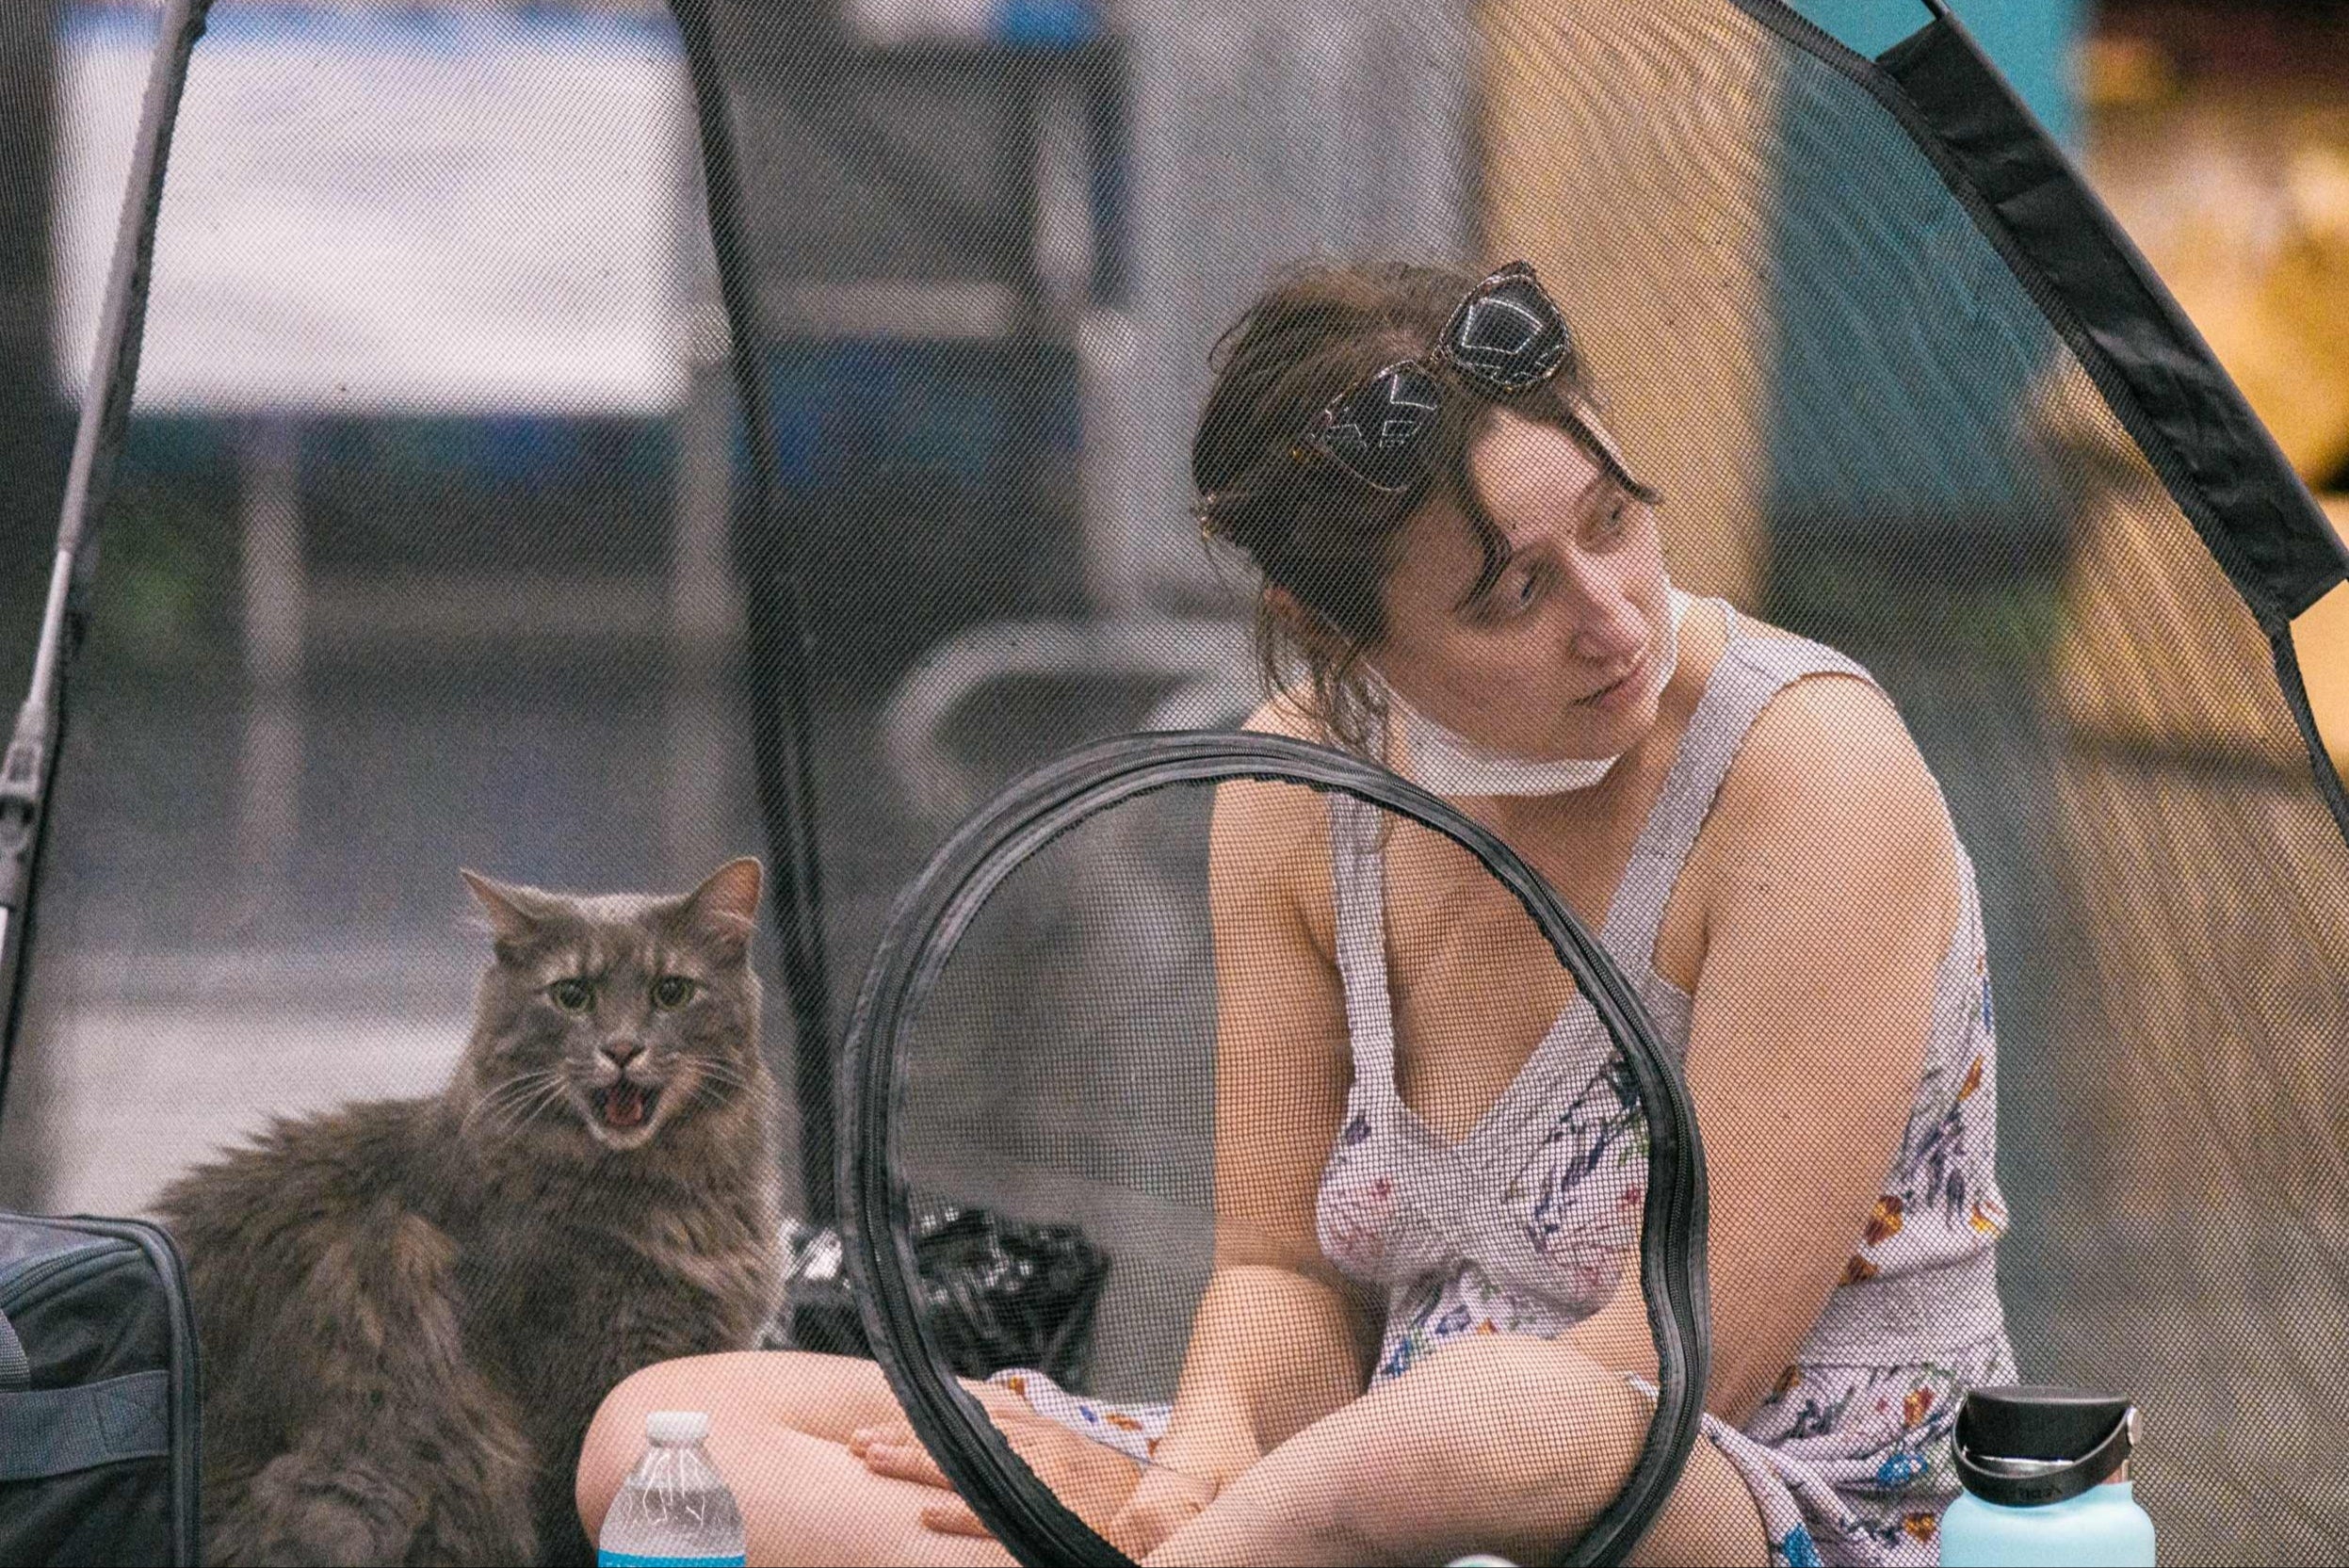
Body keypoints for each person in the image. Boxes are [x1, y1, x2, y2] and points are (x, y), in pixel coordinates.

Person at [575, 260, 2016, 1567]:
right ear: (1340, 636)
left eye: (1612, 520)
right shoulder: (1293, 791)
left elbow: (1688, 1361)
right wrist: (1196, 1459)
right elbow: (1278, 1275)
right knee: (666, 1431)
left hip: (1751, 1488)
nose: (1613, 615)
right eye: (1515, 591)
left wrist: (1276, 1497)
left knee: (1494, 1417)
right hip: (1335, 1506)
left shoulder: (1805, 770)